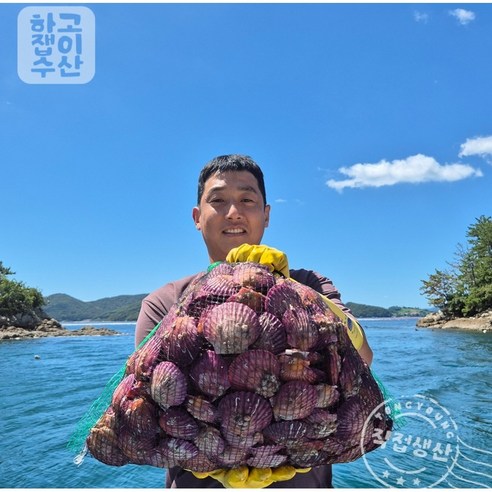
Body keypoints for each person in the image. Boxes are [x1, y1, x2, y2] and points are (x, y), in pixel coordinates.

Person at [135, 154, 373, 488]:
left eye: (247, 199)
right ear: (197, 217)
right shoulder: (164, 302)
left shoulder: (310, 283)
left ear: (266, 214)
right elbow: (150, 401)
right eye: (217, 201)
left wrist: (296, 291)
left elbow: (363, 355)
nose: (233, 212)